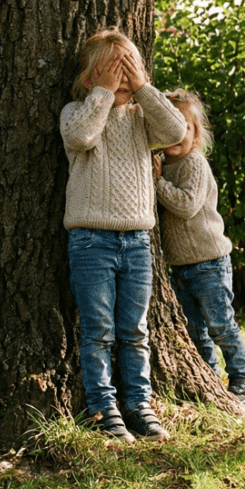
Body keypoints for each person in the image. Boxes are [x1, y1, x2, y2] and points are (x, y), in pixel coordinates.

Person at [61, 29, 187, 443]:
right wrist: (102, 93)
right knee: (98, 330)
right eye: (112, 71)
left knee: (135, 330)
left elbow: (175, 131)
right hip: (91, 241)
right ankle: (104, 408)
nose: (121, 79)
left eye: (126, 69)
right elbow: (81, 137)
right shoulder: (77, 113)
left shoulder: (140, 120)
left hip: (137, 241)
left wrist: (143, 87)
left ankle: (140, 405)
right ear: (88, 80)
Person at [153, 89, 245, 406]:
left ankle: (241, 378)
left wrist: (156, 182)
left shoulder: (194, 163)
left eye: (185, 126)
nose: (177, 134)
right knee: (195, 331)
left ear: (197, 134)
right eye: (170, 125)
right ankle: (208, 379)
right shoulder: (161, 165)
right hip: (180, 267)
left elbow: (185, 206)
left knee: (221, 325)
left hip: (209, 262)